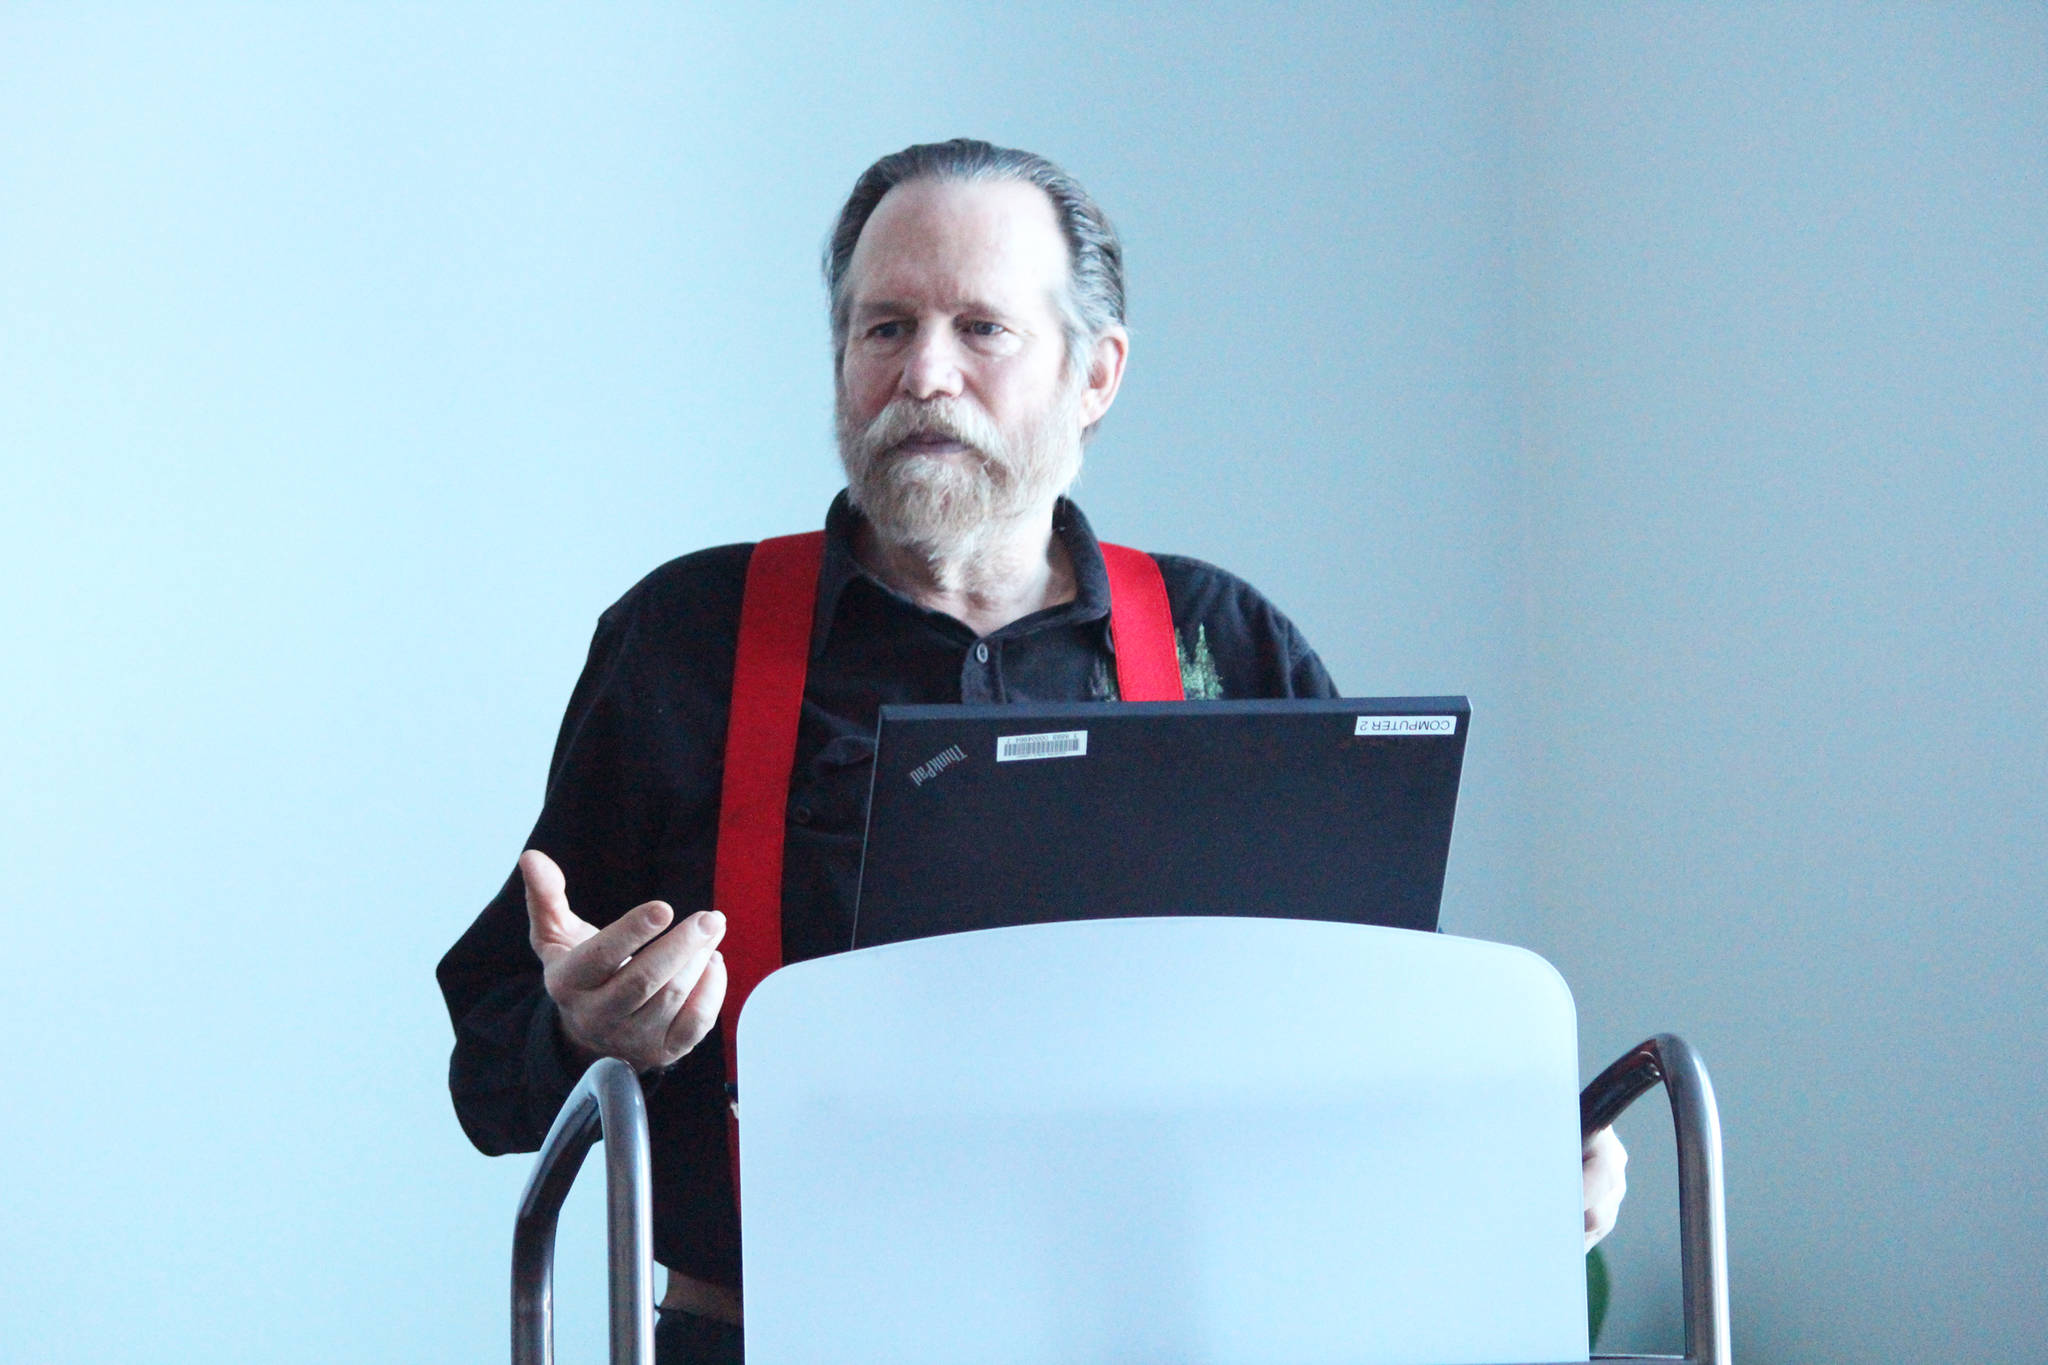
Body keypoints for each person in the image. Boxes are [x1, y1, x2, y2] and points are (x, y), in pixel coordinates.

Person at [438, 138, 1626, 1365]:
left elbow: (1369, 1030)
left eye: (982, 329)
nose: (923, 375)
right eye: (883, 328)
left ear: (1095, 374)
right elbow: (488, 1069)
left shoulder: (1226, 644)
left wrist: (1523, 1146)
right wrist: (583, 1028)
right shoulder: (683, 641)